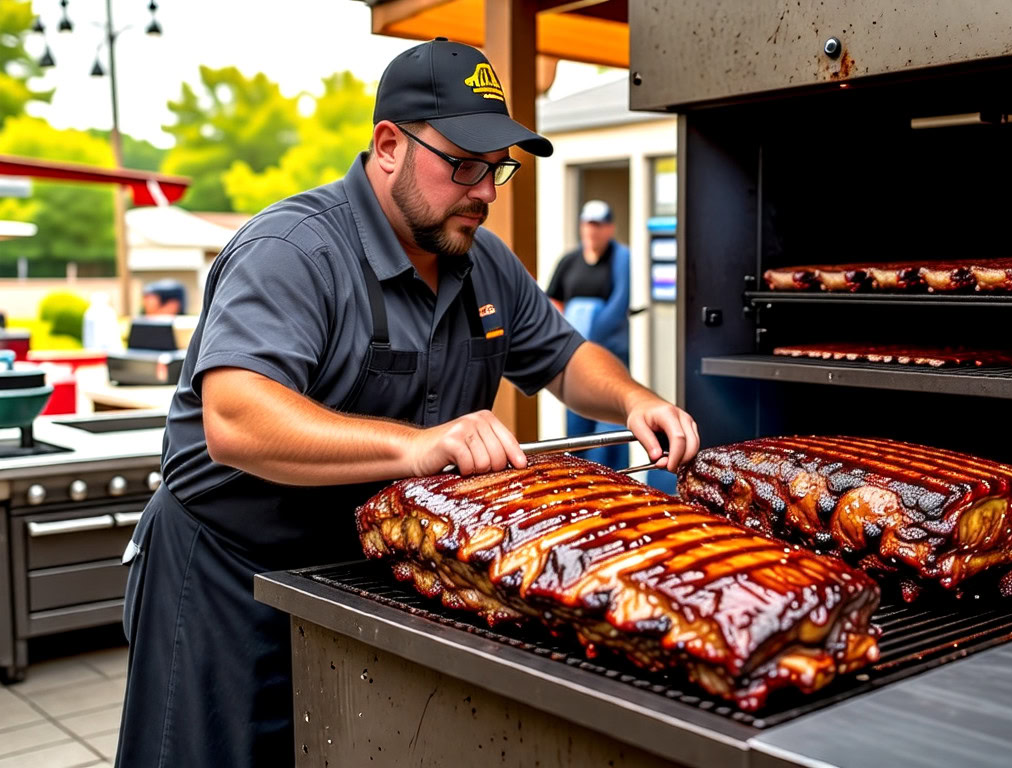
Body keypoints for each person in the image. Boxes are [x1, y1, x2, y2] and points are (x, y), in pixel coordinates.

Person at [115, 38, 699, 768]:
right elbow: (235, 418)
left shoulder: (483, 261)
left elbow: (565, 356)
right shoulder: (293, 250)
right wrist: (416, 446)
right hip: (227, 582)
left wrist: (634, 400)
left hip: (362, 577)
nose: (485, 190)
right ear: (388, 145)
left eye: (498, 169)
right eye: (463, 165)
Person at [546, 200, 631, 469]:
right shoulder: (569, 261)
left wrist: (588, 340)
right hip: (574, 359)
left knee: (609, 430)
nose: (592, 231)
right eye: (588, 225)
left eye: (598, 225)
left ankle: (614, 483)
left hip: (609, 356)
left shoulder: (621, 258)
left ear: (610, 228)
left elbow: (620, 304)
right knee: (577, 431)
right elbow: (553, 299)